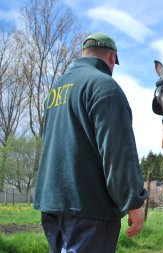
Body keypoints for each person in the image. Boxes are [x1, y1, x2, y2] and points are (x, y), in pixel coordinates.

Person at [34, 32, 148, 253]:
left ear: (84, 54)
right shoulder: (104, 87)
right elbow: (117, 153)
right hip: (89, 208)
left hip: (52, 205)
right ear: (112, 58)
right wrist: (133, 201)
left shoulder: (56, 89)